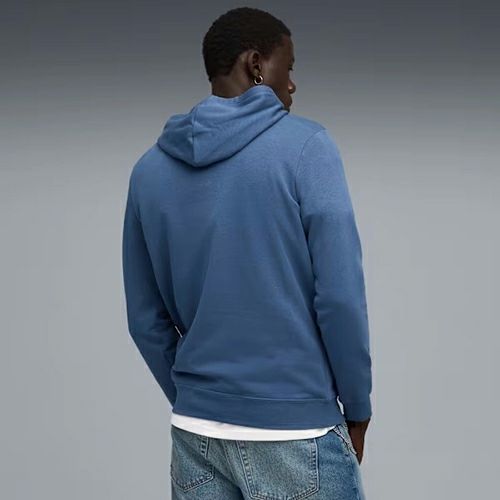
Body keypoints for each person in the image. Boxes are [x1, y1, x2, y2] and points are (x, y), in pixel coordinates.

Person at [122, 6, 372, 499]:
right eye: (288, 67)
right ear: (256, 64)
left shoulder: (149, 170)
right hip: (295, 429)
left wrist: (198, 396)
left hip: (196, 435)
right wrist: (358, 408)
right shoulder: (308, 147)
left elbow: (145, 319)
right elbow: (340, 297)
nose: (292, 84)